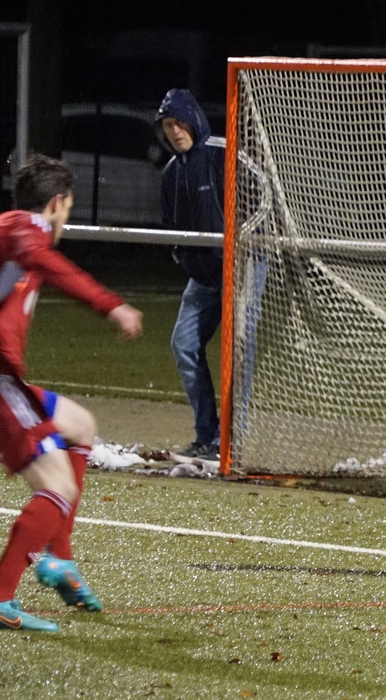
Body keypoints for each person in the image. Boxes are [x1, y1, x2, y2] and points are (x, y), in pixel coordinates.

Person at [0, 153, 144, 631]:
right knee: (58, 486)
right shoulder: (26, 230)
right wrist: (111, 306)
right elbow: (42, 258)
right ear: (57, 204)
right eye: (69, 209)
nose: (66, 221)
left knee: (80, 426)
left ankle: (59, 557)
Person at [153, 88, 225, 463]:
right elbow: (171, 226)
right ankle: (206, 436)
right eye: (168, 125)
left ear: (194, 120)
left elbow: (261, 203)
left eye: (180, 122)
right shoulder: (171, 173)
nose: (175, 131)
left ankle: (231, 444)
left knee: (238, 355)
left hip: (241, 271)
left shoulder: (223, 155)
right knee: (184, 345)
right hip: (203, 278)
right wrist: (183, 257)